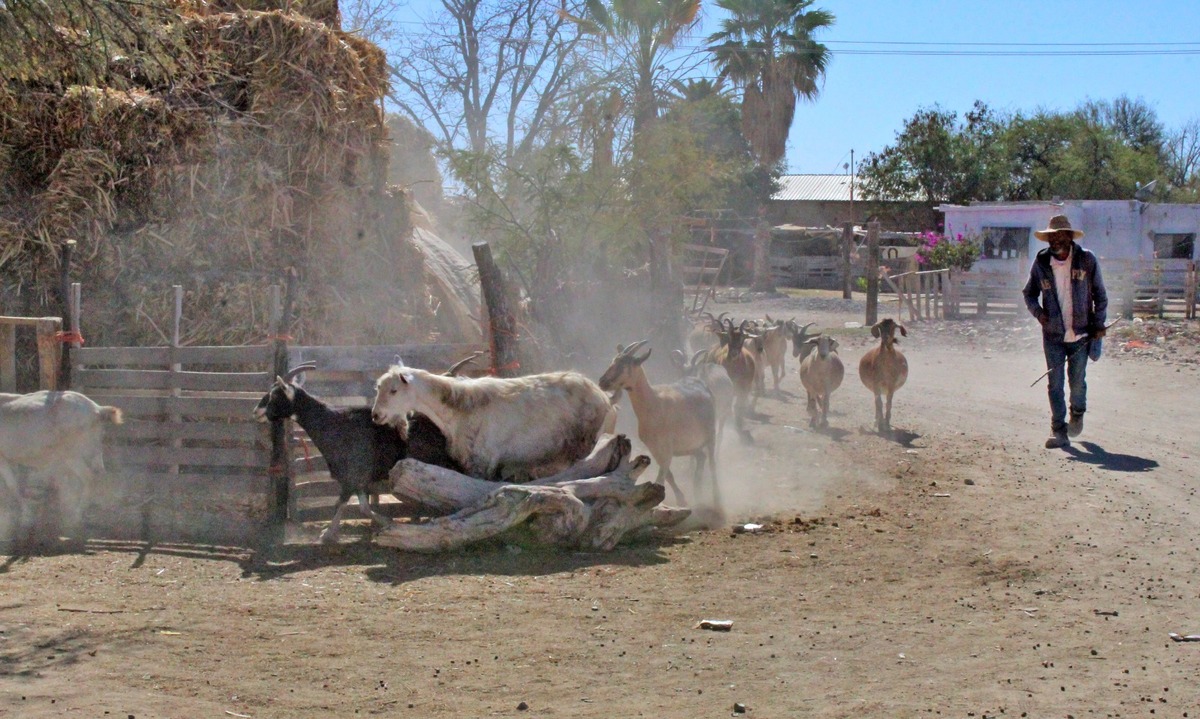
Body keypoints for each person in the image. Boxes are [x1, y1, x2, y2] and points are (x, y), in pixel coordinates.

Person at [1022, 214, 1108, 449]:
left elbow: (1100, 295)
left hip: (1081, 333)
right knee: (1055, 383)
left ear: (1070, 237)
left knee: (1077, 381)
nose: (1056, 241)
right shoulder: (1041, 263)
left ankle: (1077, 413)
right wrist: (1039, 314)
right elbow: (1029, 293)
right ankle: (1058, 430)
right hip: (1053, 335)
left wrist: (1098, 323)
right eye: (1052, 237)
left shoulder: (1087, 260)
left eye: (1060, 236)